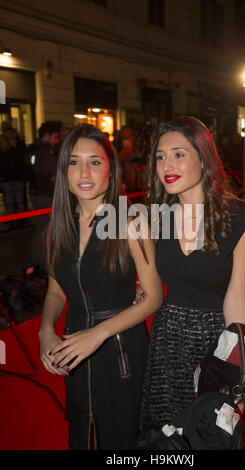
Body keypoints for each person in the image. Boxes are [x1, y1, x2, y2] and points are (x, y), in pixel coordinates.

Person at [138, 116, 245, 448]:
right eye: (160, 156)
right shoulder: (155, 219)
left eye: (179, 154)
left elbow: (236, 303)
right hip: (168, 344)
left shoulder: (242, 221)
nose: (167, 164)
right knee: (167, 443)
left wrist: (235, 378)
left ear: (203, 158)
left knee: (213, 438)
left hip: (217, 342)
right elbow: (150, 286)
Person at [38, 123, 163, 450]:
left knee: (123, 438)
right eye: (74, 162)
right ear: (63, 170)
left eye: (94, 161)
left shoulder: (130, 220)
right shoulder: (58, 227)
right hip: (74, 346)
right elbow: (56, 289)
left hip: (121, 349)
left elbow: (153, 297)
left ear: (111, 167)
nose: (84, 171)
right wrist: (46, 330)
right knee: (83, 434)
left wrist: (99, 333)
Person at [29, 121, 61, 270]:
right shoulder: (44, 152)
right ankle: (42, 263)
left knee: (41, 228)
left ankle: (39, 261)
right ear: (46, 136)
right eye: (55, 137)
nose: (57, 140)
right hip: (44, 196)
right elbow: (56, 172)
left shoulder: (36, 149)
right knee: (44, 229)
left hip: (38, 194)